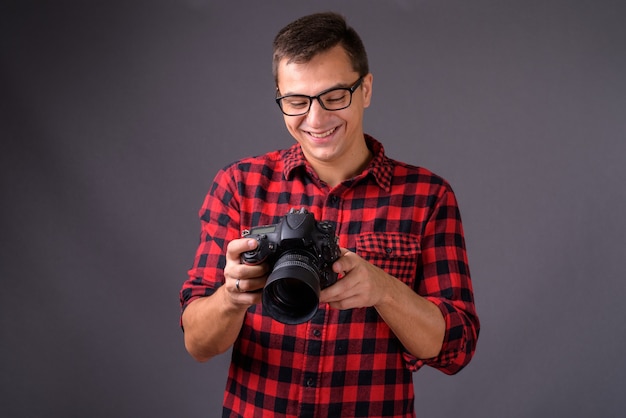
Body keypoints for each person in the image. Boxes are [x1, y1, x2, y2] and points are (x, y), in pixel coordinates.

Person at [180, 11, 479, 418]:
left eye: (335, 96)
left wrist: (384, 290)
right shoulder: (239, 185)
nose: (316, 119)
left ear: (366, 89)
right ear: (280, 99)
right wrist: (232, 297)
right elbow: (198, 344)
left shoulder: (427, 196)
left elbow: (454, 350)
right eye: (296, 101)